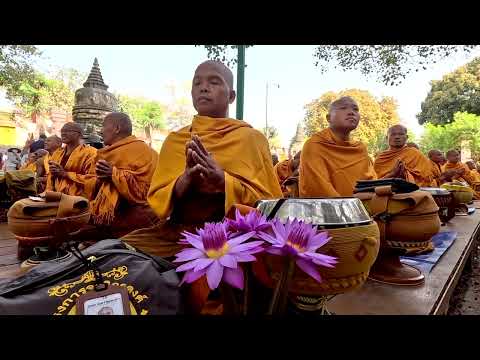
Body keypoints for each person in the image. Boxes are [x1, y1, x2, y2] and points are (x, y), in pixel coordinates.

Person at [121, 60, 282, 313]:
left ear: (231, 95)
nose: (203, 88)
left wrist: (223, 182)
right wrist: (183, 182)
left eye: (214, 82)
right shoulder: (176, 140)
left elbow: (269, 203)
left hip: (232, 238)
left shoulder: (251, 139)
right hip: (176, 234)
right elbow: (157, 198)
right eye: (197, 83)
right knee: (114, 256)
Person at [83, 112, 159, 238]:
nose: (101, 131)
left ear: (117, 129)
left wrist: (113, 174)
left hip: (136, 214)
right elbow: (91, 182)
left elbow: (145, 189)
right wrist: (101, 180)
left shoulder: (145, 151)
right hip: (105, 214)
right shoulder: (104, 154)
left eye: (104, 126)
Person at [299, 96, 377, 197]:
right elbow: (318, 188)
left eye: (355, 109)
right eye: (343, 108)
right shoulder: (315, 145)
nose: (351, 112)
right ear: (328, 118)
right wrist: (348, 209)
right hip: (331, 210)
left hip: (365, 208)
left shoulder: (360, 149)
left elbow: (372, 184)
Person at [45, 123, 97, 196]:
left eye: (68, 130)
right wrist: (48, 193)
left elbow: (93, 180)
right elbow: (51, 177)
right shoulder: (57, 153)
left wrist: (66, 174)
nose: (63, 133)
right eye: (62, 131)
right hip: (56, 195)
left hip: (78, 198)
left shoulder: (91, 153)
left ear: (80, 134)